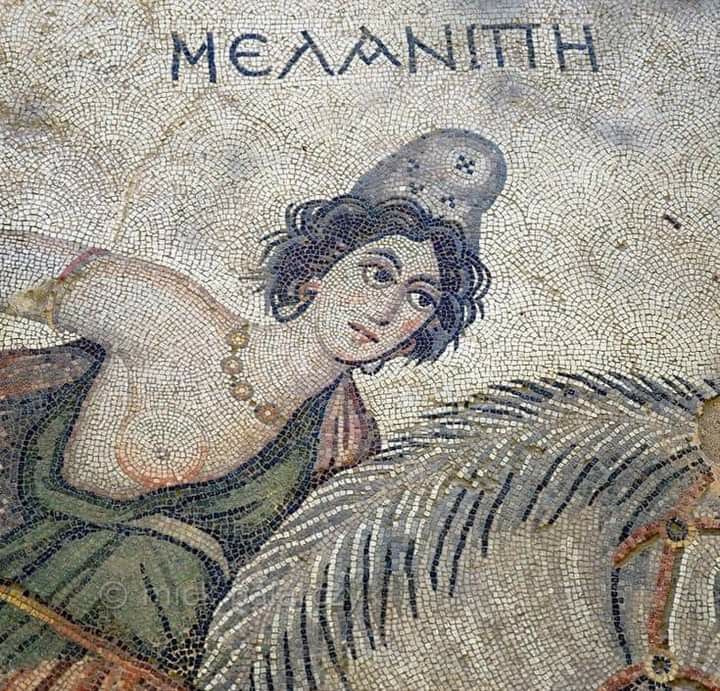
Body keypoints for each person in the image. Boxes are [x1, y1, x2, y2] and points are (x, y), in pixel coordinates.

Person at [0, 128, 506, 687]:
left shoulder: (347, 449)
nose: (386, 309)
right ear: (319, 271)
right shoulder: (165, 317)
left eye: (420, 297)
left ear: (419, 331)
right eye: (378, 273)